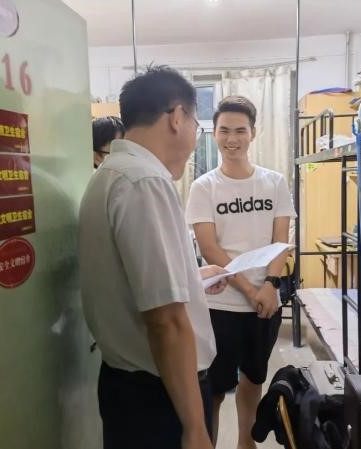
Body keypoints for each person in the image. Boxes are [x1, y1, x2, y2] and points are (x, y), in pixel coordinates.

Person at [79, 66, 228, 449]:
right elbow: (166, 321)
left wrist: (195, 278)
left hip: (127, 386)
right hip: (159, 396)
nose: (195, 134)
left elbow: (131, 282)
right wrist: (194, 427)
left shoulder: (110, 174)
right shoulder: (145, 182)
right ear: (177, 117)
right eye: (196, 123)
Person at [185, 95, 296, 449]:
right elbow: (209, 248)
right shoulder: (204, 186)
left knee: (254, 379)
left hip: (266, 300)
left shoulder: (274, 182)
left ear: (253, 133)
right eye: (224, 131)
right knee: (215, 388)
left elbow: (281, 240)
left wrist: (271, 285)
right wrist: (250, 290)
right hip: (221, 305)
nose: (232, 139)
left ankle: (245, 444)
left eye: (240, 131)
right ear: (213, 133)